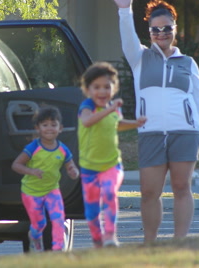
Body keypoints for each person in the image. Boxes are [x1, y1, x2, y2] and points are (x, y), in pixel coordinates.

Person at [112, 0, 199, 242]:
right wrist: (124, 9)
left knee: (182, 188)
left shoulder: (188, 63)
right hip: (150, 134)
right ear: (149, 31)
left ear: (174, 29)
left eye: (167, 28)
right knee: (149, 192)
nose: (161, 33)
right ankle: (150, 243)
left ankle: (179, 243)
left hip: (185, 133)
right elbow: (127, 34)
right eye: (156, 29)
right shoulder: (139, 58)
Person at [78, 62, 147, 248]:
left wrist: (136, 123)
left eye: (107, 87)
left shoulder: (113, 109)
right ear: (87, 89)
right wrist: (109, 109)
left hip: (111, 164)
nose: (102, 92)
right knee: (91, 211)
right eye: (97, 87)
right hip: (89, 168)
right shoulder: (87, 106)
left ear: (113, 88)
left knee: (109, 193)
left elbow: (117, 123)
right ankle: (97, 239)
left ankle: (110, 235)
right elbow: (87, 122)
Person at [12, 106, 79, 252]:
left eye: (53, 125)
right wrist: (31, 171)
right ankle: (34, 237)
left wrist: (73, 171)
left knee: (58, 218)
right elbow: (16, 165)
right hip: (31, 192)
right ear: (38, 128)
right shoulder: (33, 147)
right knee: (39, 223)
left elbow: (70, 166)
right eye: (45, 125)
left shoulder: (63, 149)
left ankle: (57, 248)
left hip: (51, 190)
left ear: (60, 128)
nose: (49, 128)